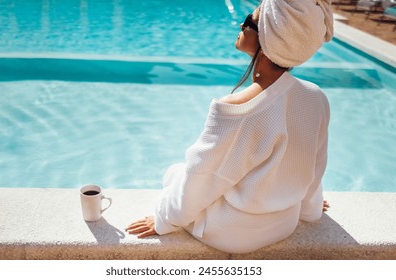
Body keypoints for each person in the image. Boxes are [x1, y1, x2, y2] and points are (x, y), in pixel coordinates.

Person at [126, 0, 333, 254]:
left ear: (270, 40)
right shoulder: (316, 97)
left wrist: (164, 220)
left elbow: (200, 179)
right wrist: (310, 209)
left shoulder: (236, 108)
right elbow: (314, 165)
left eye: (249, 21)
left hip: (234, 233)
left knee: (174, 172)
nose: (240, 24)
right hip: (284, 224)